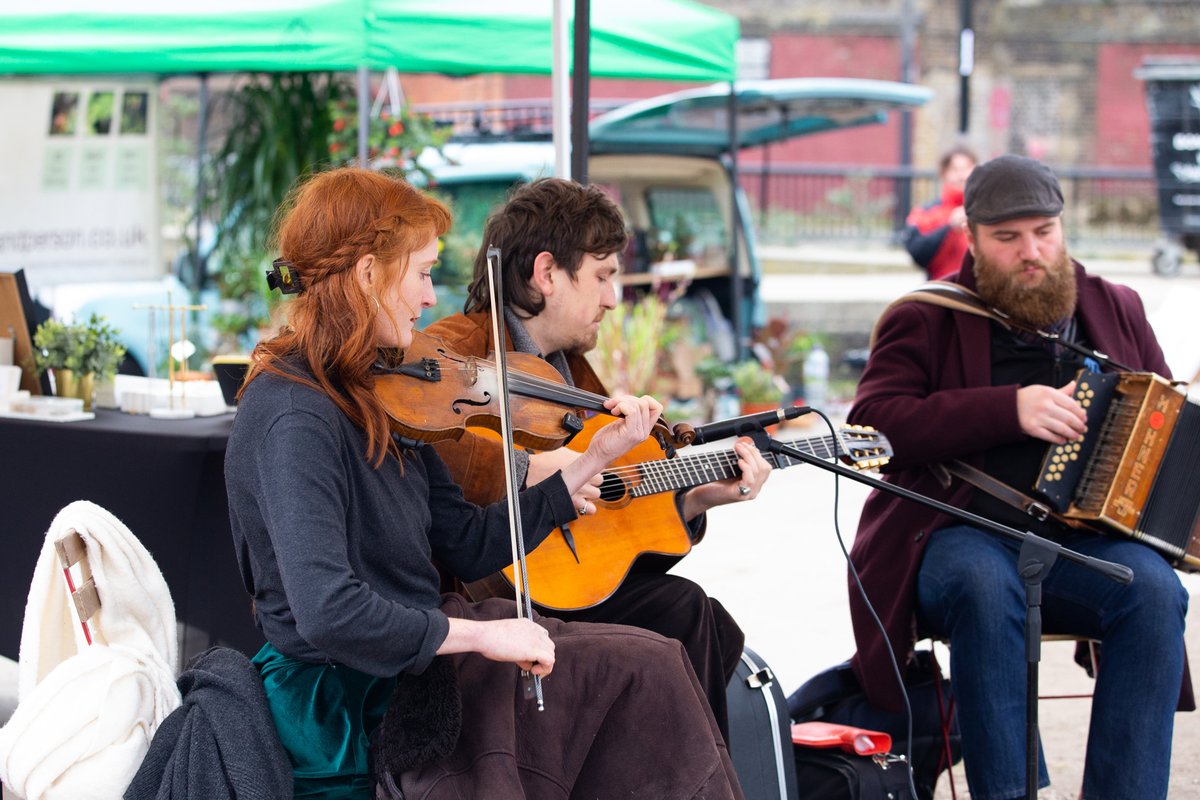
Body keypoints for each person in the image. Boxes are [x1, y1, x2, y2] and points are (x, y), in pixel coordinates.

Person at [224, 167, 744, 799]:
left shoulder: (378, 388)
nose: (428, 298)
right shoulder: (294, 414)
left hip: (423, 653)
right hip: (350, 691)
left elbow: (467, 543)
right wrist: (484, 636)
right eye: (422, 273)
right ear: (367, 274)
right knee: (645, 672)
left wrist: (588, 463)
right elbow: (329, 613)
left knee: (657, 658)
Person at [846, 154, 1192, 799]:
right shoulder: (924, 316)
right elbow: (872, 429)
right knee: (984, 582)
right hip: (954, 533)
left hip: (1078, 542)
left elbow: (1165, 424)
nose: (1030, 252)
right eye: (1007, 237)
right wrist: (1007, 409)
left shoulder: (1116, 307)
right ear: (972, 238)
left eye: (1044, 232)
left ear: (1063, 227)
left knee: (1152, 590)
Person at [424, 177, 772, 742]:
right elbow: (422, 438)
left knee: (698, 615)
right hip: (484, 592)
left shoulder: (573, 370)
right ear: (546, 273)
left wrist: (698, 498)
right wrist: (532, 469)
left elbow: (608, 507)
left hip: (561, 582)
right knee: (684, 613)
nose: (613, 298)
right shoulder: (458, 348)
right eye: (603, 276)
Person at [902, 144, 977, 280]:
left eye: (967, 168)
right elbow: (918, 253)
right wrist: (949, 228)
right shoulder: (925, 212)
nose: (962, 176)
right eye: (955, 169)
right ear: (944, 173)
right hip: (942, 287)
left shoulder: (986, 210)